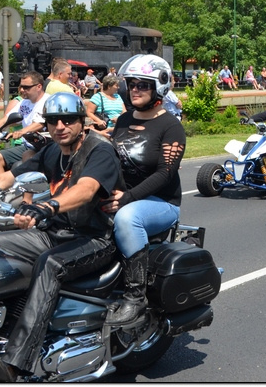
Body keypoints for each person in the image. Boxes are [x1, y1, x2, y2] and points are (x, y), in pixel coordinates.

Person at [0, 93, 120, 381]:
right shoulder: (51, 152)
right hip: (52, 233)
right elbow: (3, 180)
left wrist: (48, 205)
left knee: (50, 265)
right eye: (52, 121)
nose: (60, 126)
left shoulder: (100, 150)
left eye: (68, 119)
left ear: (81, 122)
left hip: (95, 238)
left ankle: (15, 362)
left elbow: (86, 189)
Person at [102, 55, 186, 327]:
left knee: (128, 218)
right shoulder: (124, 120)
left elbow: (165, 174)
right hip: (125, 196)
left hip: (160, 202)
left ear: (158, 87)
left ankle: (135, 296)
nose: (135, 89)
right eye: (131, 84)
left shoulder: (171, 126)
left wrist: (126, 198)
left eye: (143, 84)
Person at [0, 71, 49, 173]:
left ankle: (29, 187)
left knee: (28, 157)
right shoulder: (24, 102)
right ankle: (1, 188)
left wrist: (22, 131)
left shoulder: (47, 101)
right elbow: (6, 119)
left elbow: (40, 123)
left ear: (38, 87)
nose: (21, 90)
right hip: (28, 145)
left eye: (26, 87)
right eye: (21, 86)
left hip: (43, 147)